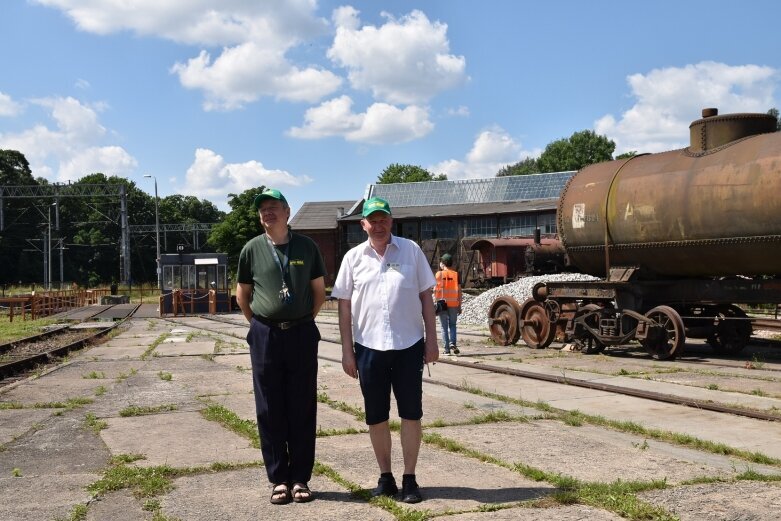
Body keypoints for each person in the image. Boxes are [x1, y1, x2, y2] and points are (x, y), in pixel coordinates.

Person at [331, 196, 438, 504]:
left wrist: (432, 340)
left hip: (408, 345)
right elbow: (344, 307)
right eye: (372, 220)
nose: (378, 226)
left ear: (392, 221)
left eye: (383, 219)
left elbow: (426, 299)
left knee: (411, 413)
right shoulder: (353, 258)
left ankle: (410, 478)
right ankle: (385, 477)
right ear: (363, 224)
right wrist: (347, 351)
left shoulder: (411, 251)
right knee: (376, 416)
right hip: (368, 348)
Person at [235, 188, 326, 505]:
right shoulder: (251, 249)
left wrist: (300, 320)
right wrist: (260, 325)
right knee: (269, 408)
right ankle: (279, 479)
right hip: (266, 336)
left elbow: (318, 292)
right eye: (262, 209)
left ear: (287, 212)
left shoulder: (307, 247)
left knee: (301, 405)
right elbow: (242, 295)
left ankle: (300, 477)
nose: (267, 213)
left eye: (273, 207)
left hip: (301, 333)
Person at [434, 253, 462, 355]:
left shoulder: (438, 274)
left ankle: (446, 350)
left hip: (442, 304)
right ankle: (452, 343)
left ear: (443, 263)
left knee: (443, 327)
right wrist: (460, 305)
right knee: (453, 325)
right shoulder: (456, 274)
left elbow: (435, 289)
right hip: (454, 304)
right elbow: (459, 290)